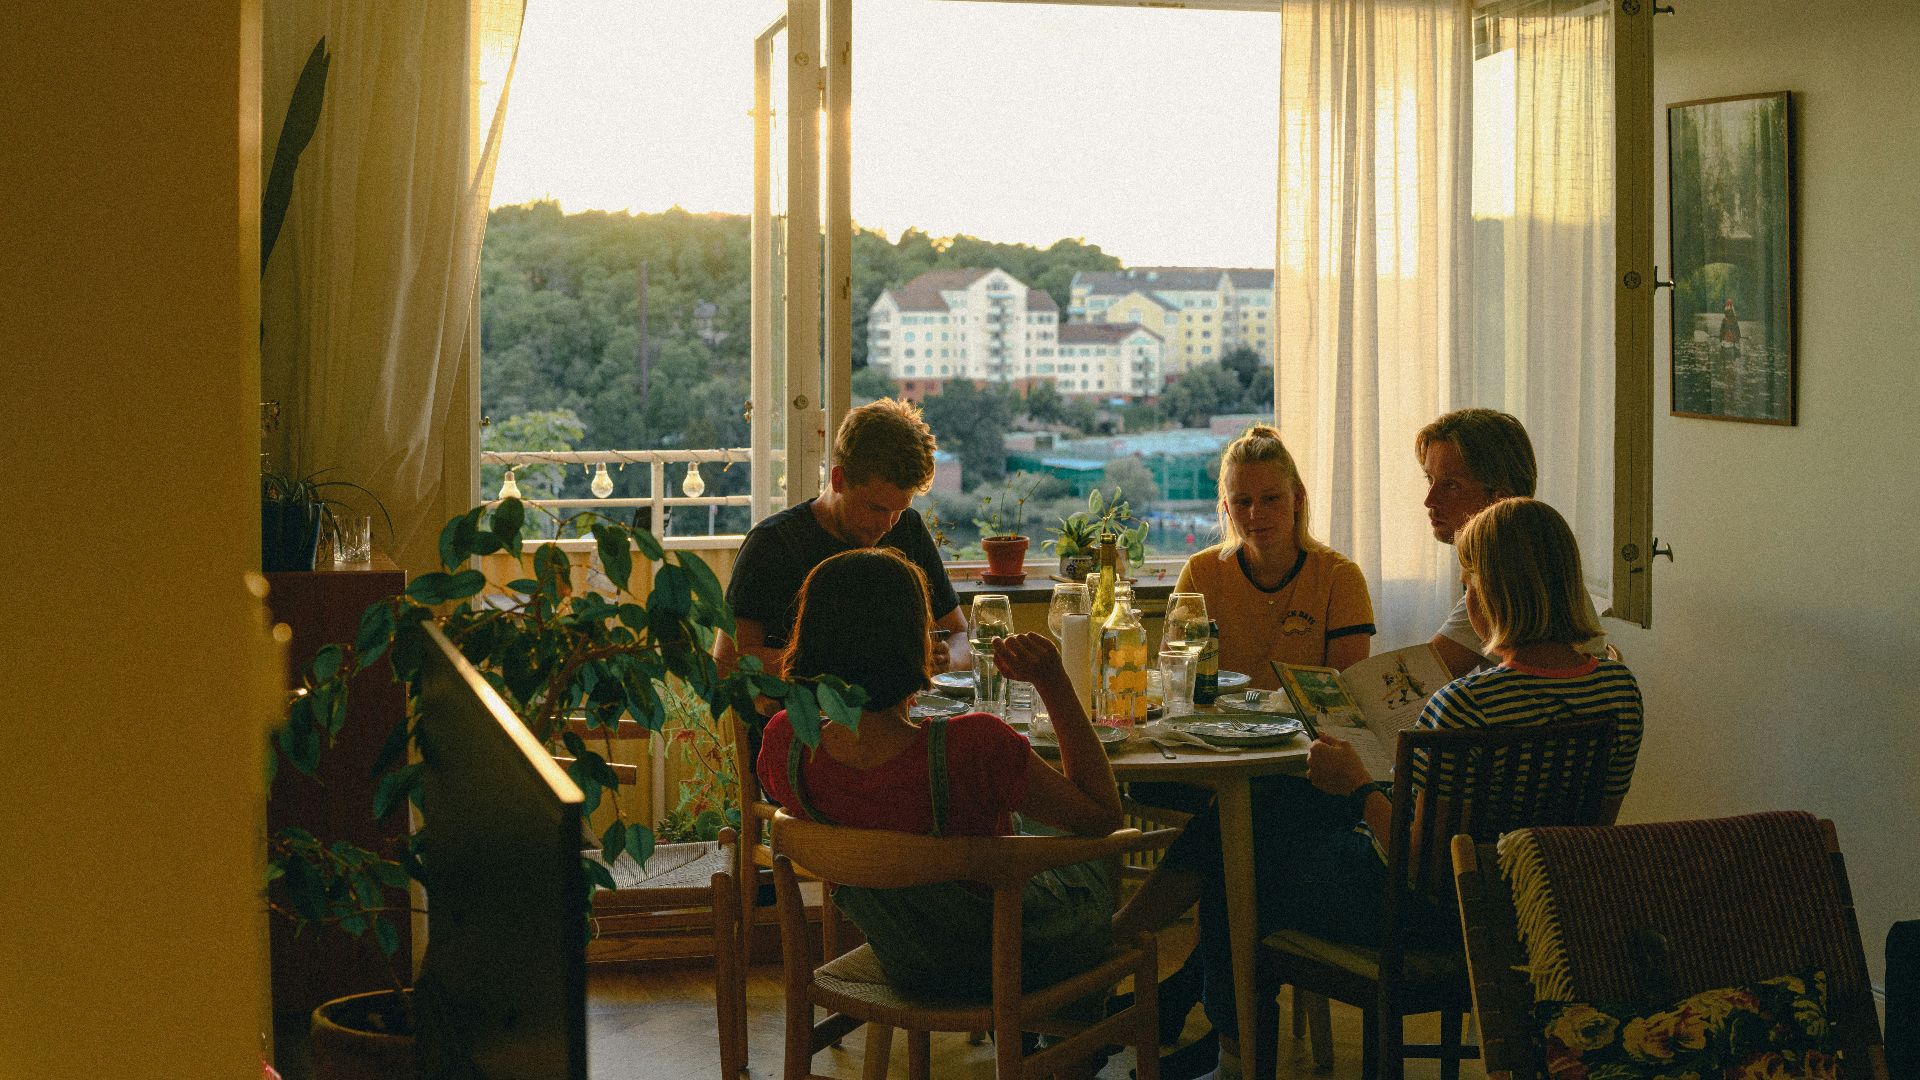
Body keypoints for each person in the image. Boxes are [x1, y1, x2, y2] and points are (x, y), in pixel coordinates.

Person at [1117, 497, 1643, 1080]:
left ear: (1492, 594)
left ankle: (1219, 1042)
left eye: (1468, 583)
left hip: (1431, 917)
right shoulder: (1618, 691)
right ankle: (1181, 1008)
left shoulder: (1465, 705)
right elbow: (1593, 834)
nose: (1466, 597)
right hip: (1537, 910)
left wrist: (1359, 786)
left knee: (1240, 857)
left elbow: (1420, 865)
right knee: (1268, 807)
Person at [755, 548, 1124, 1005]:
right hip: (1013, 959)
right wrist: (1054, 682)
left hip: (908, 963)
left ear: (808, 641)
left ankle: (1060, 1029)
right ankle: (1076, 1017)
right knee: (1105, 852)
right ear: (914, 642)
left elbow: (876, 797)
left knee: (1029, 822)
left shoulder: (787, 743)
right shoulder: (974, 747)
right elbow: (1104, 817)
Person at [716, 398, 967, 680]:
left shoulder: (907, 528)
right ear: (838, 479)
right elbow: (728, 661)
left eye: (899, 509)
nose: (887, 525)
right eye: (876, 508)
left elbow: (960, 634)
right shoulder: (773, 544)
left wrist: (947, 661)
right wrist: (849, 667)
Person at [1174, 424, 1376, 687]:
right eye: (1243, 502)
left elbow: (1344, 694)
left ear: (1298, 499)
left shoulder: (1340, 578)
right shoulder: (1200, 572)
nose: (1256, 513)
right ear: (1227, 508)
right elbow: (1175, 677)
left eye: (1270, 499)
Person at [1416, 408, 1606, 679]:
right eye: (1430, 479)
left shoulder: (1504, 582)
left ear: (1499, 500)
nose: (1429, 500)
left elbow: (1415, 682)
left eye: (1451, 485)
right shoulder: (1537, 560)